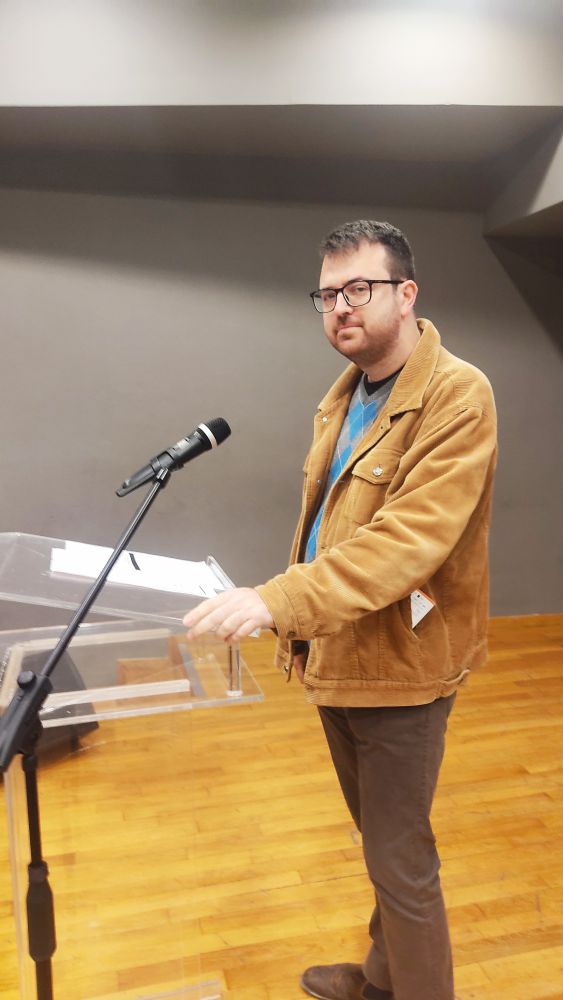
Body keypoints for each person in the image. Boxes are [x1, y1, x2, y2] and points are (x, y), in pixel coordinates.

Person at [184, 220, 497, 1000]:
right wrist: (295, 624)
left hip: (403, 667)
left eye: (358, 289)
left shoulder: (457, 394)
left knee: (400, 860)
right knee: (383, 844)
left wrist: (277, 599)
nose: (340, 308)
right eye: (326, 295)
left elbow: (405, 543)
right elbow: (331, 526)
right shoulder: (345, 397)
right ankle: (382, 978)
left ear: (406, 293)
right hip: (339, 651)